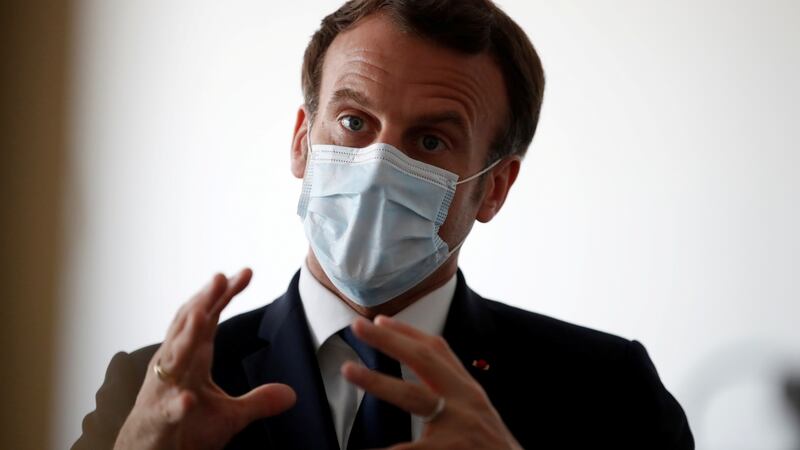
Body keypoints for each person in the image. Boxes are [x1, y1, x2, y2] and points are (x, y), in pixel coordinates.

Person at [73, 1, 694, 449]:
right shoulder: (156, 389)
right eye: (353, 123)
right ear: (301, 140)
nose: (376, 168)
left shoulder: (609, 394)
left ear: (494, 188)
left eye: (429, 140)